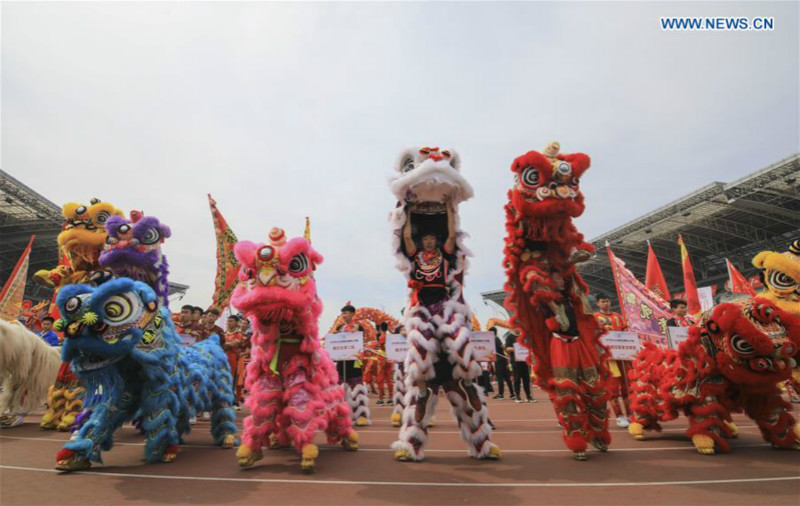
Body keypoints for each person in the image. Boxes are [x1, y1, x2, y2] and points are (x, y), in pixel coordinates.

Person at [593, 294, 631, 428]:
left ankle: (630, 414)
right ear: (598, 303)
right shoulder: (595, 318)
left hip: (622, 357)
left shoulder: (618, 317)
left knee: (627, 386)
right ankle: (620, 416)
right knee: (613, 388)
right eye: (603, 301)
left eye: (607, 300)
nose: (606, 303)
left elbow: (626, 332)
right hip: (608, 359)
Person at [335, 304, 370, 426]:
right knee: (339, 389)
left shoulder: (358, 327)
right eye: (342, 313)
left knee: (357, 388)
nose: (344, 316)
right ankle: (339, 415)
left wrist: (355, 332)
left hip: (354, 361)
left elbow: (359, 341)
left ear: (352, 314)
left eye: (346, 313)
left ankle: (361, 415)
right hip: (341, 361)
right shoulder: (339, 328)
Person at [506, 328, 535, 403]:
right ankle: (517, 396)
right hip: (515, 362)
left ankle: (528, 396)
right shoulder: (509, 337)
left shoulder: (524, 336)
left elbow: (529, 346)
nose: (518, 328)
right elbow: (507, 348)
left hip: (525, 361)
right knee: (517, 379)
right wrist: (516, 348)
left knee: (526, 379)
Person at [222, 314, 243, 408]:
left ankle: (230, 401)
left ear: (237, 323)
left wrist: (223, 344)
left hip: (232, 359)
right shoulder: (223, 334)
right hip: (222, 358)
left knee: (230, 380)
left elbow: (231, 345)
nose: (229, 323)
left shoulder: (238, 334)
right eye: (228, 321)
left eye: (232, 321)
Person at [491, 326, 515, 399]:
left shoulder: (495, 338)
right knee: (506, 377)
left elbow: (502, 346)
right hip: (501, 359)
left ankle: (501, 394)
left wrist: (506, 353)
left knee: (500, 377)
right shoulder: (495, 339)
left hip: (499, 360)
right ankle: (512, 393)